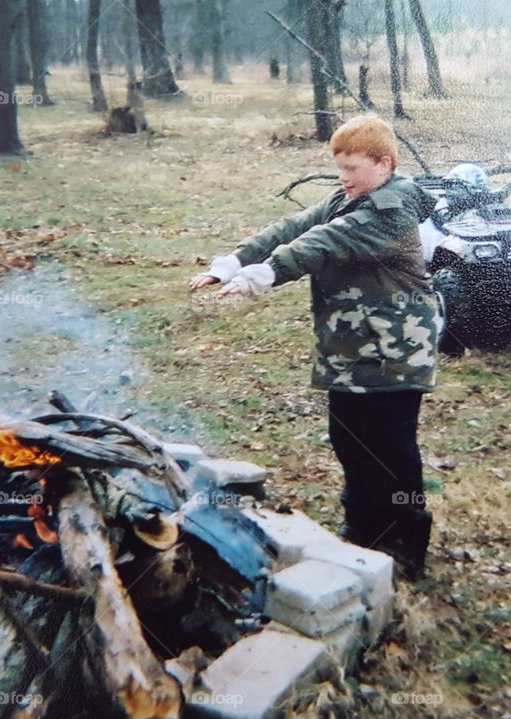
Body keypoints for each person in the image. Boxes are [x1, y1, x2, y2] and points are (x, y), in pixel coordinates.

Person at [188, 116, 439, 578]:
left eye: (352, 168)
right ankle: (363, 531)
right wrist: (232, 263)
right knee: (350, 440)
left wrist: (259, 277)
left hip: (395, 352)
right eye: (339, 167)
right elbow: (291, 227)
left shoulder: (391, 210)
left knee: (390, 447)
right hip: (353, 350)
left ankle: (405, 541)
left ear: (383, 163)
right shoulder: (349, 198)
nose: (343, 177)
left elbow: (319, 244)